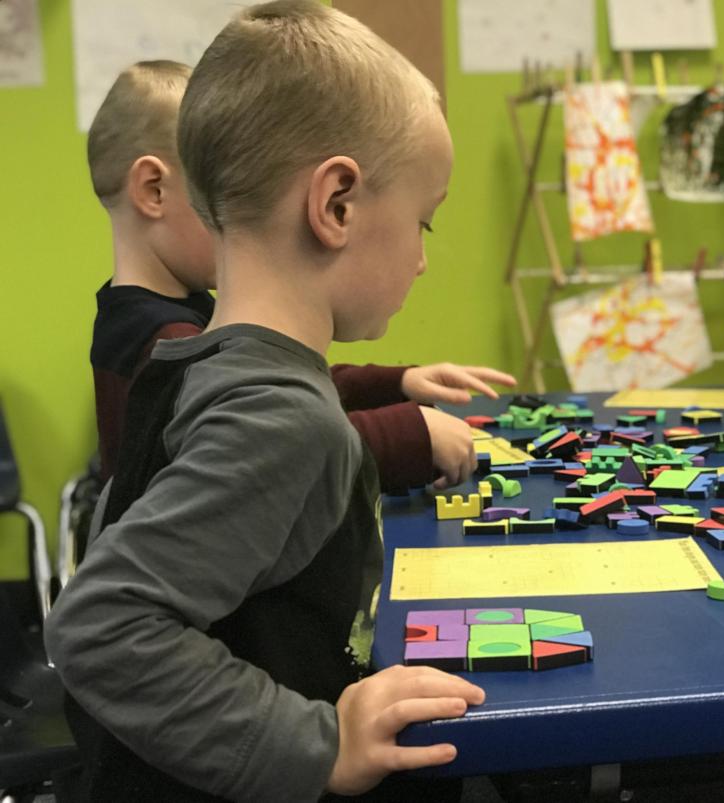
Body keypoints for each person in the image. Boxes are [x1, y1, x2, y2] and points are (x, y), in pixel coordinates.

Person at [46, 3, 491, 800]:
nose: (423, 259)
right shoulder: (280, 416)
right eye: (423, 222)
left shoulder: (192, 361)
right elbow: (102, 628)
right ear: (337, 206)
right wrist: (320, 745)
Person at [85, 60, 514, 491]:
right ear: (152, 190)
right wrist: (408, 436)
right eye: (216, 194)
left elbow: (282, 387)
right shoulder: (165, 340)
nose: (246, 219)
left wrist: (395, 384)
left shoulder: (168, 314)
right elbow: (269, 451)